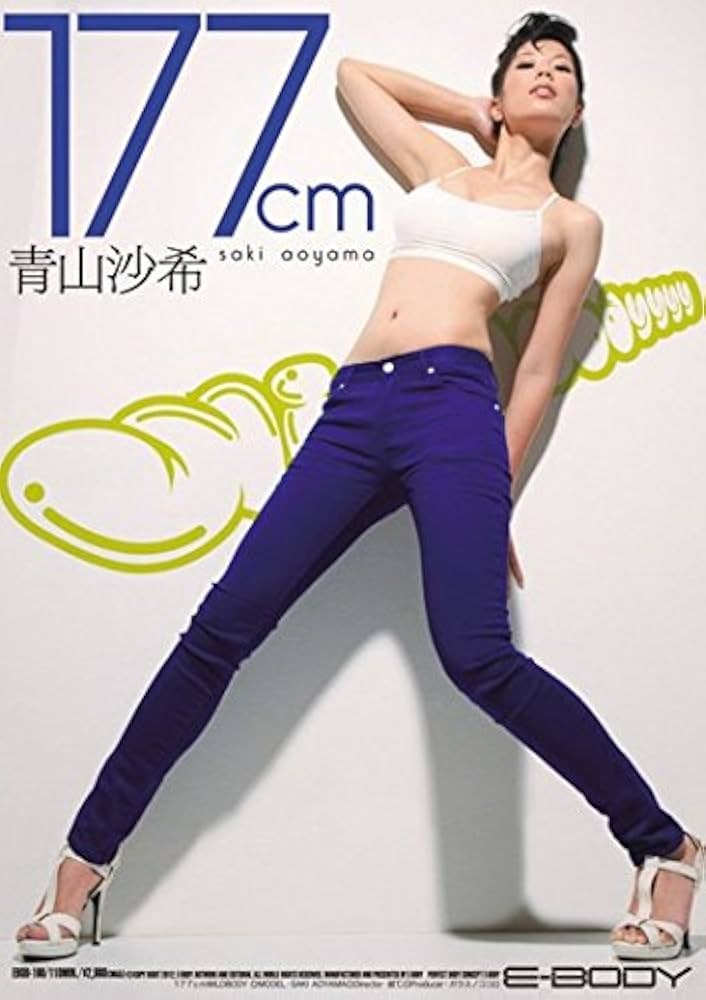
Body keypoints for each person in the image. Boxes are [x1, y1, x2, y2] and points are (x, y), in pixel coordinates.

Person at [15, 10, 704, 963]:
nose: (545, 73)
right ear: (500, 91)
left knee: (477, 657)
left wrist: (496, 489)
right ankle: (85, 862)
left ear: (578, 110)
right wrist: (470, 111)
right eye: (526, 64)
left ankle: (665, 848)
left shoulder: (568, 222)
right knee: (221, 629)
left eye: (562, 70)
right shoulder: (437, 169)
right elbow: (354, 74)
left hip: (454, 412)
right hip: (353, 412)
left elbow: (539, 369)